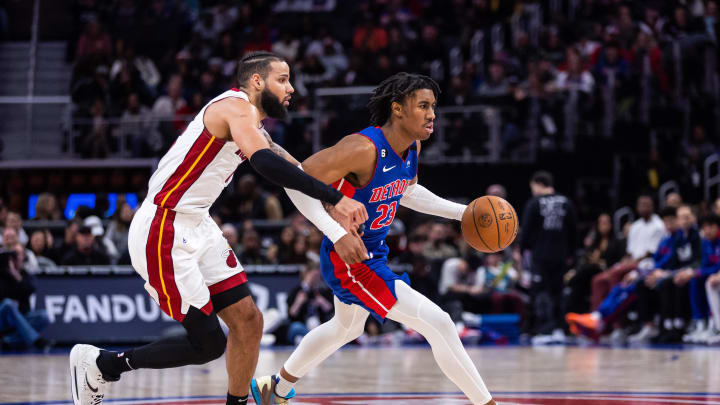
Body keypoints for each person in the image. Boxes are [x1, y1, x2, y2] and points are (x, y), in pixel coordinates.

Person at [69, 51, 369, 405]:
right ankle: (103, 365)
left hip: (198, 223)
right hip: (163, 226)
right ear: (257, 81)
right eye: (283, 79)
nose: (291, 89)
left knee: (249, 321)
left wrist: (332, 210)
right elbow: (266, 164)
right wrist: (335, 199)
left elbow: (295, 173)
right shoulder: (234, 108)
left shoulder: (252, 125)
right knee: (208, 344)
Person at [251, 73, 495, 405]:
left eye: (433, 106)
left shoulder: (411, 148)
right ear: (397, 109)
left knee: (346, 328)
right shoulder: (362, 148)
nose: (432, 114)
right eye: (423, 106)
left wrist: (460, 213)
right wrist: (336, 234)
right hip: (349, 257)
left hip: (373, 251)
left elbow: (406, 191)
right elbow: (296, 180)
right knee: (440, 323)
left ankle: (274, 389)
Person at [520, 171, 577, 343]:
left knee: (542, 292)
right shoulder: (566, 202)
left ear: (537, 184)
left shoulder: (534, 203)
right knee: (558, 292)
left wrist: (523, 251)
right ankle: (560, 329)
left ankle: (546, 331)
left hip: (541, 255)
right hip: (561, 256)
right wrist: (571, 254)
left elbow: (526, 231)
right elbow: (573, 231)